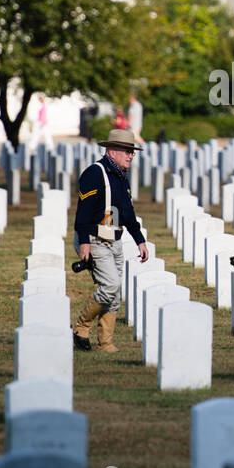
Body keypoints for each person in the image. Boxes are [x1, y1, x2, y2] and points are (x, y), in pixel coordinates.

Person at [72, 128, 149, 352]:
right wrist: (84, 241)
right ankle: (80, 327)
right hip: (94, 239)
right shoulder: (94, 174)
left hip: (114, 240)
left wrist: (139, 240)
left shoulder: (120, 176)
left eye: (132, 152)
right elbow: (83, 212)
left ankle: (105, 342)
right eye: (126, 151)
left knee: (115, 294)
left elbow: (127, 212)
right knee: (110, 285)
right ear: (111, 151)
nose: (130, 156)